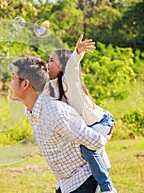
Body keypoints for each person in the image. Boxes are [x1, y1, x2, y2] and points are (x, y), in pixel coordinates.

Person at [10, 56, 108, 193]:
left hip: (84, 178)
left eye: (13, 77)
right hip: (66, 182)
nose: (10, 83)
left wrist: (105, 133)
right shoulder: (32, 110)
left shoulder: (54, 112)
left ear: (25, 84)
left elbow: (96, 140)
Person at [45, 34, 116, 193]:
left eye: (51, 60)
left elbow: (72, 66)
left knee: (87, 146)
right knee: (84, 144)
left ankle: (107, 188)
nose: (47, 63)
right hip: (90, 126)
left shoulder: (69, 78)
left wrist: (77, 52)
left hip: (101, 121)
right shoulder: (54, 87)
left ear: (62, 66)